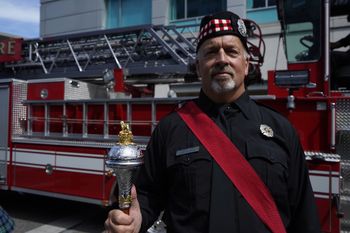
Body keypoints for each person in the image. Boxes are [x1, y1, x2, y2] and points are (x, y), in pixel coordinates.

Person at [105, 11, 321, 233]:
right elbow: (147, 196)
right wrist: (135, 220)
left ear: (246, 64)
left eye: (231, 51)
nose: (222, 59)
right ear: (198, 67)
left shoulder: (281, 130)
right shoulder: (170, 129)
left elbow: (304, 217)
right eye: (211, 52)